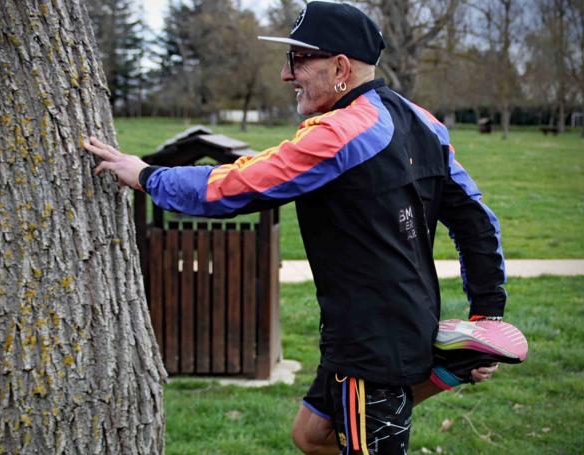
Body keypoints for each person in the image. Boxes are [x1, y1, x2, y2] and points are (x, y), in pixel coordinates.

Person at [83, 2, 508, 453]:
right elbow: (479, 223)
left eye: (299, 59)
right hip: (384, 326)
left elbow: (241, 183)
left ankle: (453, 364)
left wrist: (148, 176)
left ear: (341, 66)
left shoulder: (340, 131)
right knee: (311, 436)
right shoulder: (424, 122)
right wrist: (488, 313)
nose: (288, 75)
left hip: (373, 348)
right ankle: (453, 365)